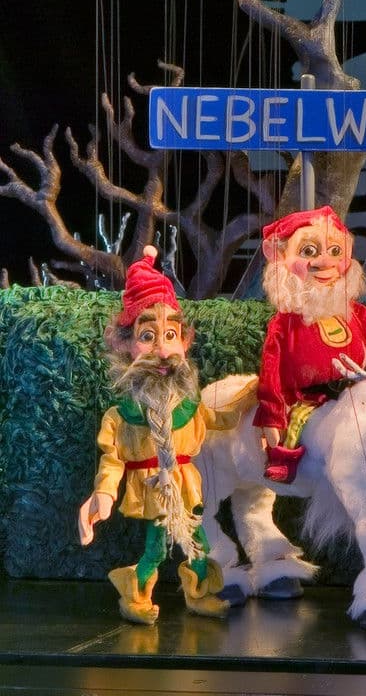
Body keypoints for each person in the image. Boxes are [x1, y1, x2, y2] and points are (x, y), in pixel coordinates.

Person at [78, 246, 253, 624]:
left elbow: (219, 419)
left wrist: (253, 393)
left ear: (184, 342)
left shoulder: (189, 407)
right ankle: (136, 594)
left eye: (170, 334)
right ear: (123, 343)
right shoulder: (123, 416)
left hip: (186, 489)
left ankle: (200, 593)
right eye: (148, 336)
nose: (162, 349)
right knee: (156, 549)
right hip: (152, 490)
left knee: (198, 545)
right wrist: (103, 493)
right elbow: (113, 458)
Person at [255, 205, 366, 484]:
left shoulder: (359, 315)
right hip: (309, 402)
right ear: (280, 257)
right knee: (303, 429)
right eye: (308, 251)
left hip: (359, 395)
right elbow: (271, 376)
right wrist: (272, 416)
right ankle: (284, 459)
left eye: (335, 251)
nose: (325, 262)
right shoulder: (284, 324)